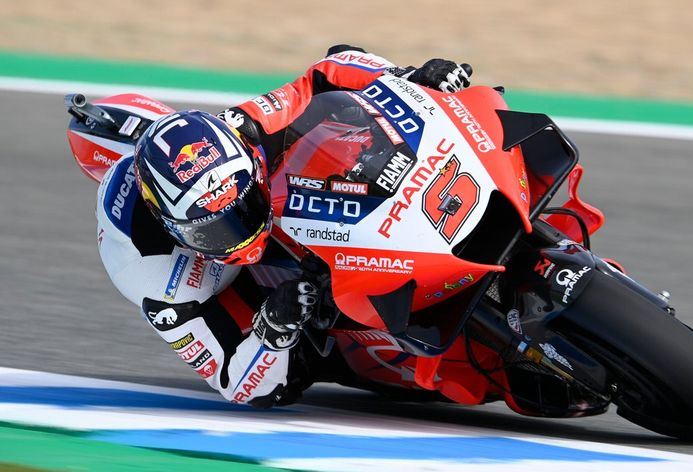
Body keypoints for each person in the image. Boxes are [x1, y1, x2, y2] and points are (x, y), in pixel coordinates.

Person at [96, 45, 472, 408]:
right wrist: (272, 328)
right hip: (226, 284)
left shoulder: (243, 128)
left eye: (244, 207)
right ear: (172, 228)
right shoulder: (155, 278)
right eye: (214, 230)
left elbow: (327, 70)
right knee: (283, 385)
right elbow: (233, 382)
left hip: (279, 197)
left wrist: (406, 78)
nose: (242, 235)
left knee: (348, 121)